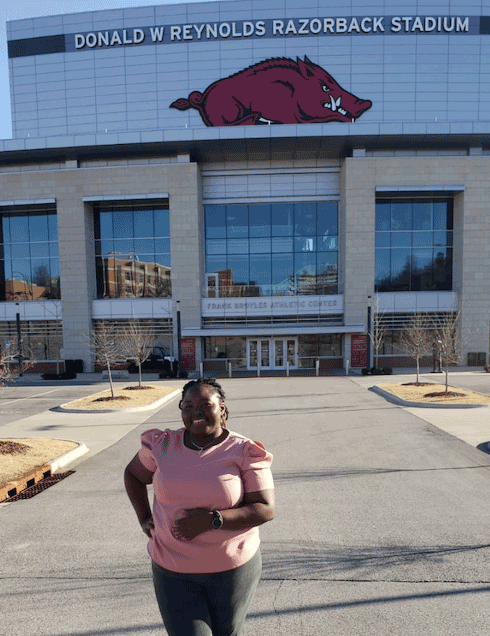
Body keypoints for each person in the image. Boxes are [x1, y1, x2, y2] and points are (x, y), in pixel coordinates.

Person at [124, 378, 275, 636]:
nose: (196, 411)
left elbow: (264, 508)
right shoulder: (162, 445)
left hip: (232, 570)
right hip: (172, 569)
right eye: (188, 405)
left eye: (206, 404)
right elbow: (134, 475)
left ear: (222, 409)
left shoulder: (244, 451)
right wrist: (144, 517)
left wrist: (211, 520)